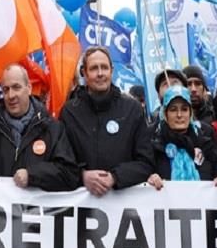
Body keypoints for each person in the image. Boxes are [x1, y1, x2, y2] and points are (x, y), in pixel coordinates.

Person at [60, 46, 154, 196]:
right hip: (82, 212)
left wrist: (115, 177)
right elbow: (61, 162)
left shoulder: (132, 110)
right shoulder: (69, 112)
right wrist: (82, 176)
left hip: (124, 209)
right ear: (84, 73)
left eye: (104, 67)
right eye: (93, 68)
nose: (100, 74)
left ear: (112, 70)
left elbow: (146, 162)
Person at [0, 64, 80, 189]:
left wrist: (32, 175)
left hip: (39, 209)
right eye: (6, 89)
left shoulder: (52, 128)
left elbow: (69, 174)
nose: (11, 95)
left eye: (16, 87)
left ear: (29, 88)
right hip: (2, 208)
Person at [146, 86, 217, 189]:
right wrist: (150, 178)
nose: (179, 115)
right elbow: (144, 173)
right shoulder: (154, 147)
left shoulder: (206, 144)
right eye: (173, 110)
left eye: (184, 109)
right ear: (165, 114)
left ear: (190, 113)